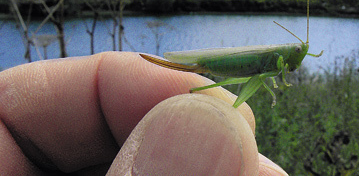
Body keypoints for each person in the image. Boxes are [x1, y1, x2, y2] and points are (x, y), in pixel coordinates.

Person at [0, 51, 288, 175]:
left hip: (245, 71)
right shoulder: (278, 55)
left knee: (233, 102)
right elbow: (272, 70)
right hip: (230, 65)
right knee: (220, 98)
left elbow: (271, 74)